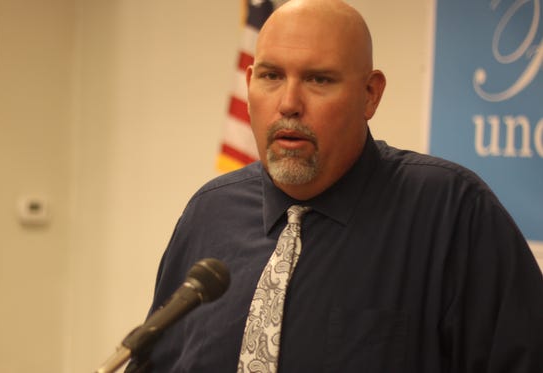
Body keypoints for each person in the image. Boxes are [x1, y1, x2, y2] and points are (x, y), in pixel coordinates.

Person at [133, 0, 543, 371]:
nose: (289, 102)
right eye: (272, 76)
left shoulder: (452, 212)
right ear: (250, 81)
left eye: (319, 80)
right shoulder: (209, 214)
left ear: (370, 94)